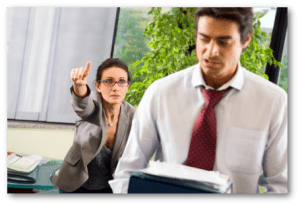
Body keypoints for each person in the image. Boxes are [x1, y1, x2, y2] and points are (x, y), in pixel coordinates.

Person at [109, 7, 287, 193]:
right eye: (204, 38)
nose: (211, 51)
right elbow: (127, 172)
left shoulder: (274, 102)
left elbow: (281, 186)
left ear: (246, 39)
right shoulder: (160, 93)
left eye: (223, 42)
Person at [55, 58, 136, 194]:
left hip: (109, 186)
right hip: (75, 182)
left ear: (127, 86)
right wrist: (79, 86)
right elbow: (82, 105)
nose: (115, 87)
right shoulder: (93, 103)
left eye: (121, 81)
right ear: (98, 86)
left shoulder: (133, 114)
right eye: (109, 81)